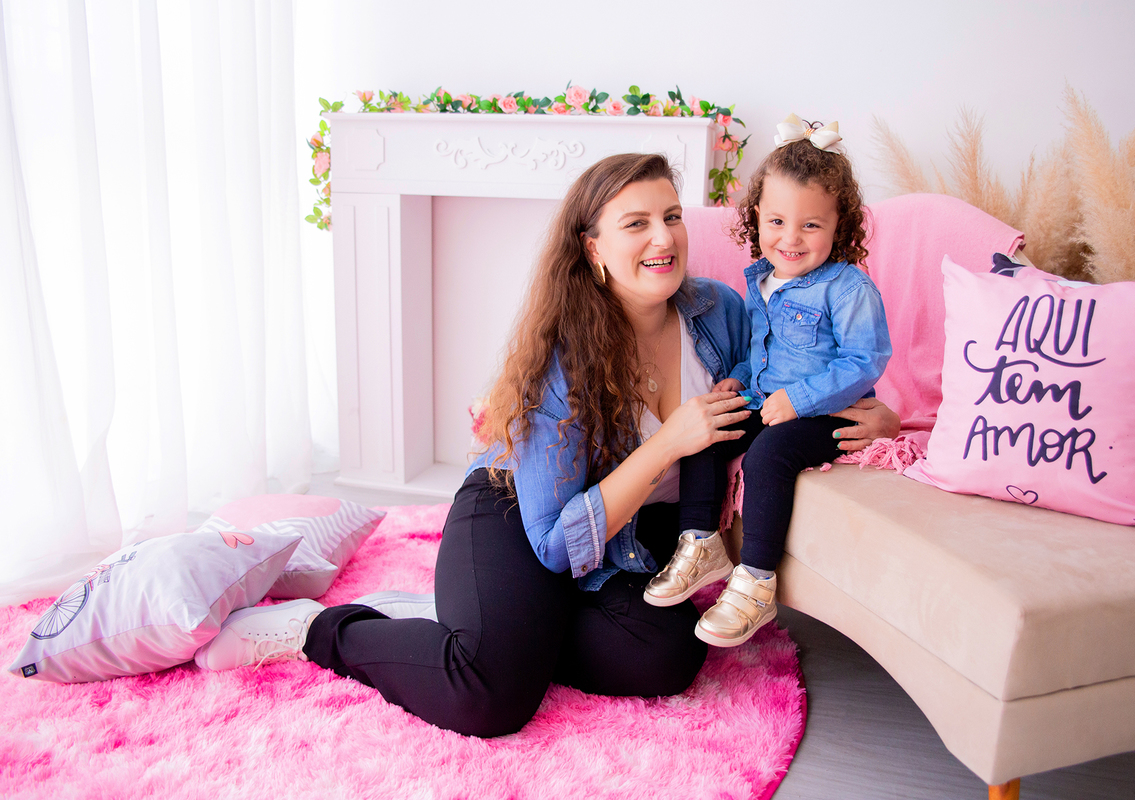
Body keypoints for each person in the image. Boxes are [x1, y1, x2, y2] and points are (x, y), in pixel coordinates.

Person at [191, 152, 899, 738]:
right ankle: (325, 629)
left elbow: (806, 378)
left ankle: (489, 625)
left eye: (673, 217)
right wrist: (670, 442)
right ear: (593, 247)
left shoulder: (722, 313)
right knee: (489, 698)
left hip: (625, 538)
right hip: (518, 518)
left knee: (668, 659)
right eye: (637, 223)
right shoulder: (564, 357)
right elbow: (555, 542)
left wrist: (881, 421)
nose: (666, 238)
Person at [643, 117, 892, 649]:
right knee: (709, 430)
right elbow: (765, 352)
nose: (791, 239)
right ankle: (701, 541)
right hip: (766, 399)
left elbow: (865, 360)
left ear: (839, 224)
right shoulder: (760, 278)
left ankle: (756, 581)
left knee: (767, 456)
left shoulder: (847, 288)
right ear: (756, 216)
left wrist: (798, 400)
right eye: (777, 221)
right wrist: (736, 381)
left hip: (827, 413)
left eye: (811, 226)